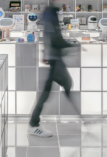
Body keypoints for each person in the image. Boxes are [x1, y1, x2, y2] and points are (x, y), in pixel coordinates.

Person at [27, 0, 79, 137]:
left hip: (54, 57)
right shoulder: (50, 12)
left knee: (57, 87)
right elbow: (55, 39)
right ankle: (33, 125)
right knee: (58, 87)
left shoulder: (51, 12)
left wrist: (45, 52)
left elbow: (48, 36)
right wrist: (73, 46)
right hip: (55, 58)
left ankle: (33, 123)